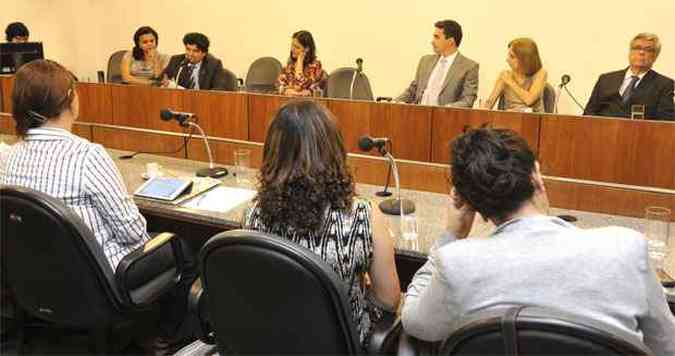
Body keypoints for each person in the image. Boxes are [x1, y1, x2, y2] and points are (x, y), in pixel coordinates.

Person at [401, 128, 675, 355]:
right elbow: (667, 346)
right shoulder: (626, 248)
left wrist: (451, 236)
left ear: (470, 204)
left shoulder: (457, 262)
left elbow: (415, 323)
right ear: (537, 175)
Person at [0, 59, 198, 351]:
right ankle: (163, 338)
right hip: (101, 285)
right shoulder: (88, 156)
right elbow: (132, 233)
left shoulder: (8, 156)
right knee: (181, 247)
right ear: (69, 99)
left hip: (36, 283)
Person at [244, 100, 400, 347]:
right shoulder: (363, 215)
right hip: (338, 346)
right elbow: (389, 300)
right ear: (334, 150)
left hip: (272, 343)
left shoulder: (254, 214)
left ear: (273, 153)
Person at [584, 33, 674, 121]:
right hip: (603, 132)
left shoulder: (664, 84)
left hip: (641, 134)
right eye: (637, 48)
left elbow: (666, 121)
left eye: (648, 50)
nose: (641, 52)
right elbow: (588, 113)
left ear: (655, 56)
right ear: (630, 52)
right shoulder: (606, 79)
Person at [396, 20, 478, 107]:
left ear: (451, 41)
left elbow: (467, 101)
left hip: (445, 118)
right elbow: (413, 90)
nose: (432, 41)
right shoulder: (425, 61)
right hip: (417, 115)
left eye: (437, 37)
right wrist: (395, 102)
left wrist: (445, 109)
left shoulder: (469, 67)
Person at [482, 38, 547, 112]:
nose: (507, 59)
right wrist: (484, 108)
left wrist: (510, 81)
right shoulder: (505, 75)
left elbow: (529, 100)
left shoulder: (541, 73)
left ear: (525, 59)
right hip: (511, 119)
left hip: (533, 119)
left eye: (512, 56)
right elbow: (489, 103)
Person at [161, 32, 227, 90]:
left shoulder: (214, 65)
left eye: (195, 51)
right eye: (188, 49)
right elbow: (163, 78)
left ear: (204, 53)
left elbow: (218, 89)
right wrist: (165, 81)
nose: (190, 54)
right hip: (181, 100)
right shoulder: (177, 61)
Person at [276, 30, 327, 97]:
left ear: (306, 49)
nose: (292, 49)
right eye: (292, 46)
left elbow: (301, 86)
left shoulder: (315, 66)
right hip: (289, 102)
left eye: (297, 47)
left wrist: (299, 64)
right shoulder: (290, 65)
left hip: (307, 104)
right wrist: (286, 90)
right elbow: (279, 83)